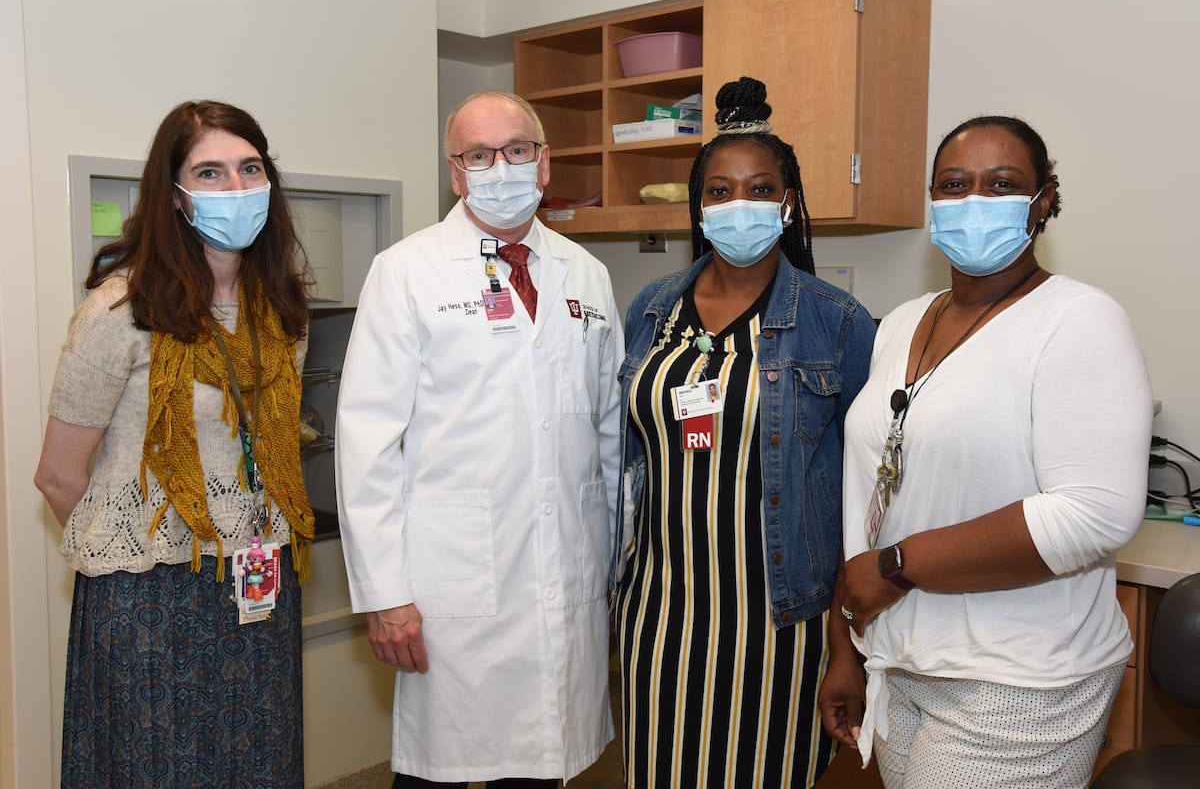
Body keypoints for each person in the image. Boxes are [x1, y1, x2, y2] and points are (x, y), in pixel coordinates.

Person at [819, 115, 1153, 789]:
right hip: (902, 657)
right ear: (934, 202)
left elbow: (1094, 514)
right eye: (954, 185)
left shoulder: (1078, 319)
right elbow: (875, 492)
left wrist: (897, 567)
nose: (974, 201)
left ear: (1044, 202)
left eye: (1001, 184)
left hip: (1018, 677)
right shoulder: (907, 320)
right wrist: (846, 643)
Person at [335, 90, 623, 788]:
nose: (502, 167)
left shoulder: (586, 274)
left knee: (541, 768)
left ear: (545, 162)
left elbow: (611, 433)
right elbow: (366, 439)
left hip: (566, 571)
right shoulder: (406, 271)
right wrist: (385, 593)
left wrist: (616, 560)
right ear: (456, 173)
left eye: (517, 149)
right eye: (479, 155)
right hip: (450, 584)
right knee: (439, 767)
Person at [34, 100, 316, 788]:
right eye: (210, 173)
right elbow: (59, 477)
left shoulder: (281, 311)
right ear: (175, 195)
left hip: (258, 582)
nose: (236, 188)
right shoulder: (118, 310)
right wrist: (143, 545)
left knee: (261, 765)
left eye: (250, 168)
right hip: (147, 600)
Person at [613, 77, 876, 788]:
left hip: (779, 622)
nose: (740, 206)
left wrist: (846, 643)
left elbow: (866, 502)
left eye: (761, 189)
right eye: (721, 191)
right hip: (660, 612)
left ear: (788, 205)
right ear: (699, 208)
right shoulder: (651, 309)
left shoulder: (839, 322)